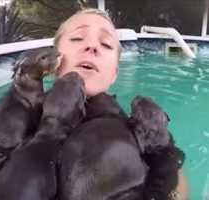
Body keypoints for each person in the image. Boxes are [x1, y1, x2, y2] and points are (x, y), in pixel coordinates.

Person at [53, 8, 189, 200]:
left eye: (106, 44)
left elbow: (178, 183)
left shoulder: (140, 126)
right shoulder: (21, 124)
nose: (92, 46)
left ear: (114, 74)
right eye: (77, 38)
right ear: (53, 62)